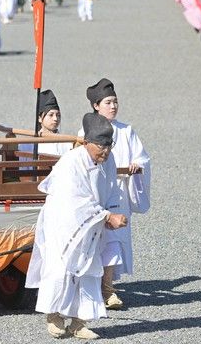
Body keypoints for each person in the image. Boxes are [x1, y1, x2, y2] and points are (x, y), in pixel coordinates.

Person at [26, 113, 127, 340]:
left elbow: (111, 190)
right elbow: (75, 200)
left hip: (91, 224)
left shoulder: (107, 161)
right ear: (86, 142)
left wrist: (111, 212)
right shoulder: (71, 163)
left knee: (90, 269)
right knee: (61, 268)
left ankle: (80, 322)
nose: (106, 152)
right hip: (63, 224)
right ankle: (53, 315)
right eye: (101, 146)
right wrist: (106, 216)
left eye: (109, 146)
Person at [84, 78, 151, 310]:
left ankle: (108, 289)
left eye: (115, 102)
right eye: (108, 102)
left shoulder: (126, 130)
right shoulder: (86, 130)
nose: (113, 106)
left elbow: (143, 158)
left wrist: (136, 164)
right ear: (96, 106)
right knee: (92, 240)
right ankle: (90, 286)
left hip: (119, 192)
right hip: (95, 193)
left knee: (113, 240)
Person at [18, 90, 73, 157]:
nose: (55, 119)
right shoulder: (28, 144)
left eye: (58, 115)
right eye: (51, 115)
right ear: (40, 118)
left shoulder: (67, 143)